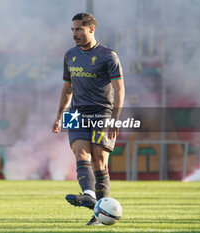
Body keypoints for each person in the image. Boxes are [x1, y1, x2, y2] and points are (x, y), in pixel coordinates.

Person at [52, 12, 125, 225]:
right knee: (80, 152)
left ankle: (99, 215)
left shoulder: (108, 56)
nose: (74, 34)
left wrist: (115, 118)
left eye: (79, 30)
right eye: (73, 30)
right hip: (75, 113)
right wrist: (59, 116)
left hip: (102, 112)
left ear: (91, 29)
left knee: (99, 159)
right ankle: (89, 196)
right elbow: (67, 87)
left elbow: (119, 89)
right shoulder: (69, 55)